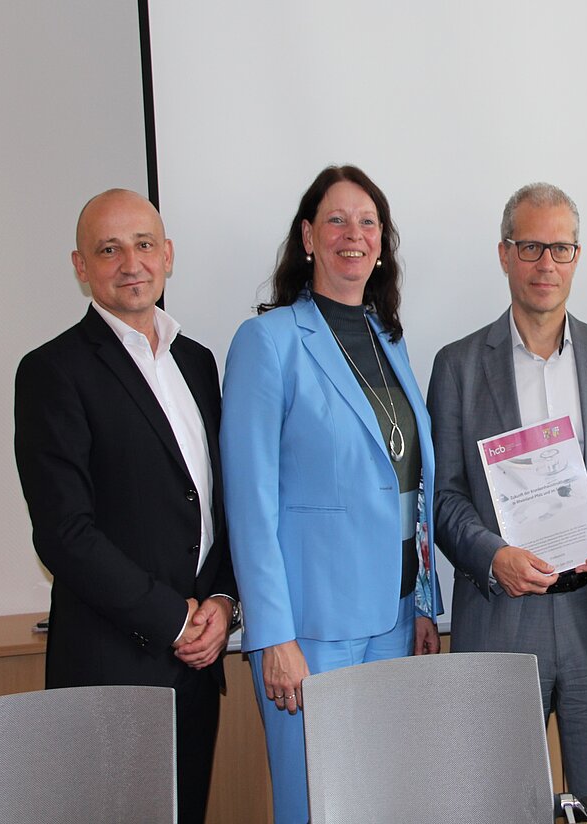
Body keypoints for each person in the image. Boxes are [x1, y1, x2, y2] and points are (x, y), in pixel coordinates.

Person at [220, 165, 441, 824]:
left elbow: (407, 483)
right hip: (310, 631)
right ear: (308, 237)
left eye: (368, 222)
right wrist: (273, 635)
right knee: (315, 806)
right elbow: (249, 505)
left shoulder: (389, 339)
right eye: (337, 220)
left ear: (382, 243)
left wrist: (422, 603)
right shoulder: (268, 342)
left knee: (380, 804)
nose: (354, 234)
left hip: (392, 619)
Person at [14, 189, 237, 824]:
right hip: (109, 670)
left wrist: (224, 602)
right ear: (81, 266)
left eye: (143, 245)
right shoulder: (52, 371)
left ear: (168, 255)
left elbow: (219, 503)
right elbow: (63, 533)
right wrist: (172, 620)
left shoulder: (198, 362)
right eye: (109, 250)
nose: (131, 263)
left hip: (199, 667)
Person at [427, 182, 587, 814]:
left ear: (577, 256)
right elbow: (445, 497)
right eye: (530, 247)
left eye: (560, 248)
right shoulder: (458, 366)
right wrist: (492, 556)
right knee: (498, 808)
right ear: (504, 254)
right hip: (502, 618)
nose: (545, 263)